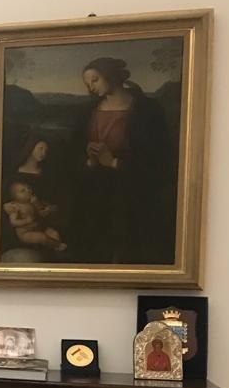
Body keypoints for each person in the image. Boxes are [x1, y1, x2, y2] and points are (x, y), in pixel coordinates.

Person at [71, 57, 174, 264]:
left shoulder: (147, 110)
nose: (90, 87)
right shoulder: (87, 111)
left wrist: (113, 163)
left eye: (95, 80)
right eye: (87, 83)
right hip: (95, 193)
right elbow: (72, 149)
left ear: (111, 76)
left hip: (132, 193)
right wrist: (89, 160)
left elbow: (160, 159)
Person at [2, 181, 66, 251]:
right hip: (25, 233)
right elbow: (13, 222)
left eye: (28, 188)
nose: (28, 191)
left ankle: (53, 248)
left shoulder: (32, 201)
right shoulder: (15, 207)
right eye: (23, 191)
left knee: (54, 233)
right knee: (41, 237)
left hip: (39, 228)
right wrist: (26, 221)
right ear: (14, 197)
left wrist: (36, 203)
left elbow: (41, 211)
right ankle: (57, 245)